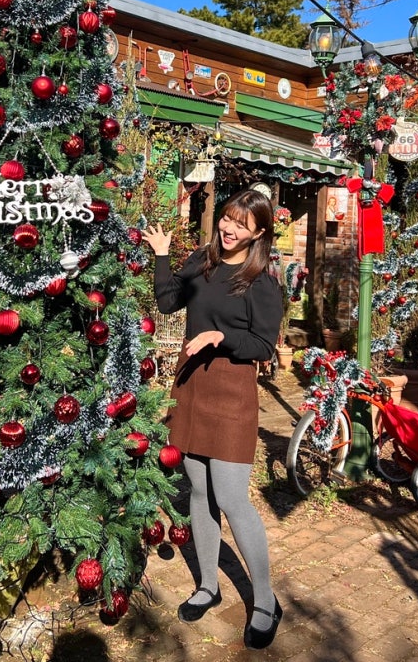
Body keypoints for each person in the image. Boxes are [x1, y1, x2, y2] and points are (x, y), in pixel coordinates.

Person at [142, 188, 284, 650]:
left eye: (242, 224)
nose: (229, 228)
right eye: (227, 218)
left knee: (232, 498)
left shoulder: (261, 282)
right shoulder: (202, 261)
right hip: (192, 386)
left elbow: (263, 346)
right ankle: (208, 585)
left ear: (258, 232)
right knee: (200, 492)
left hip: (231, 390)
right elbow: (168, 302)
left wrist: (220, 337)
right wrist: (162, 256)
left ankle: (265, 601)